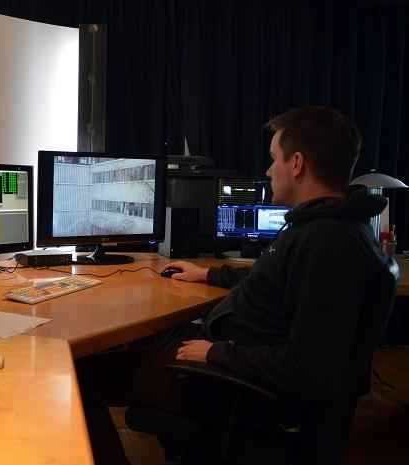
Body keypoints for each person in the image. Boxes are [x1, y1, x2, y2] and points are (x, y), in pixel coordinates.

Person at [75, 106, 393, 465]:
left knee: (79, 375)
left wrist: (214, 354)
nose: (268, 170)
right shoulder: (337, 228)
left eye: (274, 159)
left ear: (298, 164)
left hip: (241, 389)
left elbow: (308, 367)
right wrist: (209, 275)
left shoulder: (327, 243)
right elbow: (279, 277)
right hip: (237, 363)